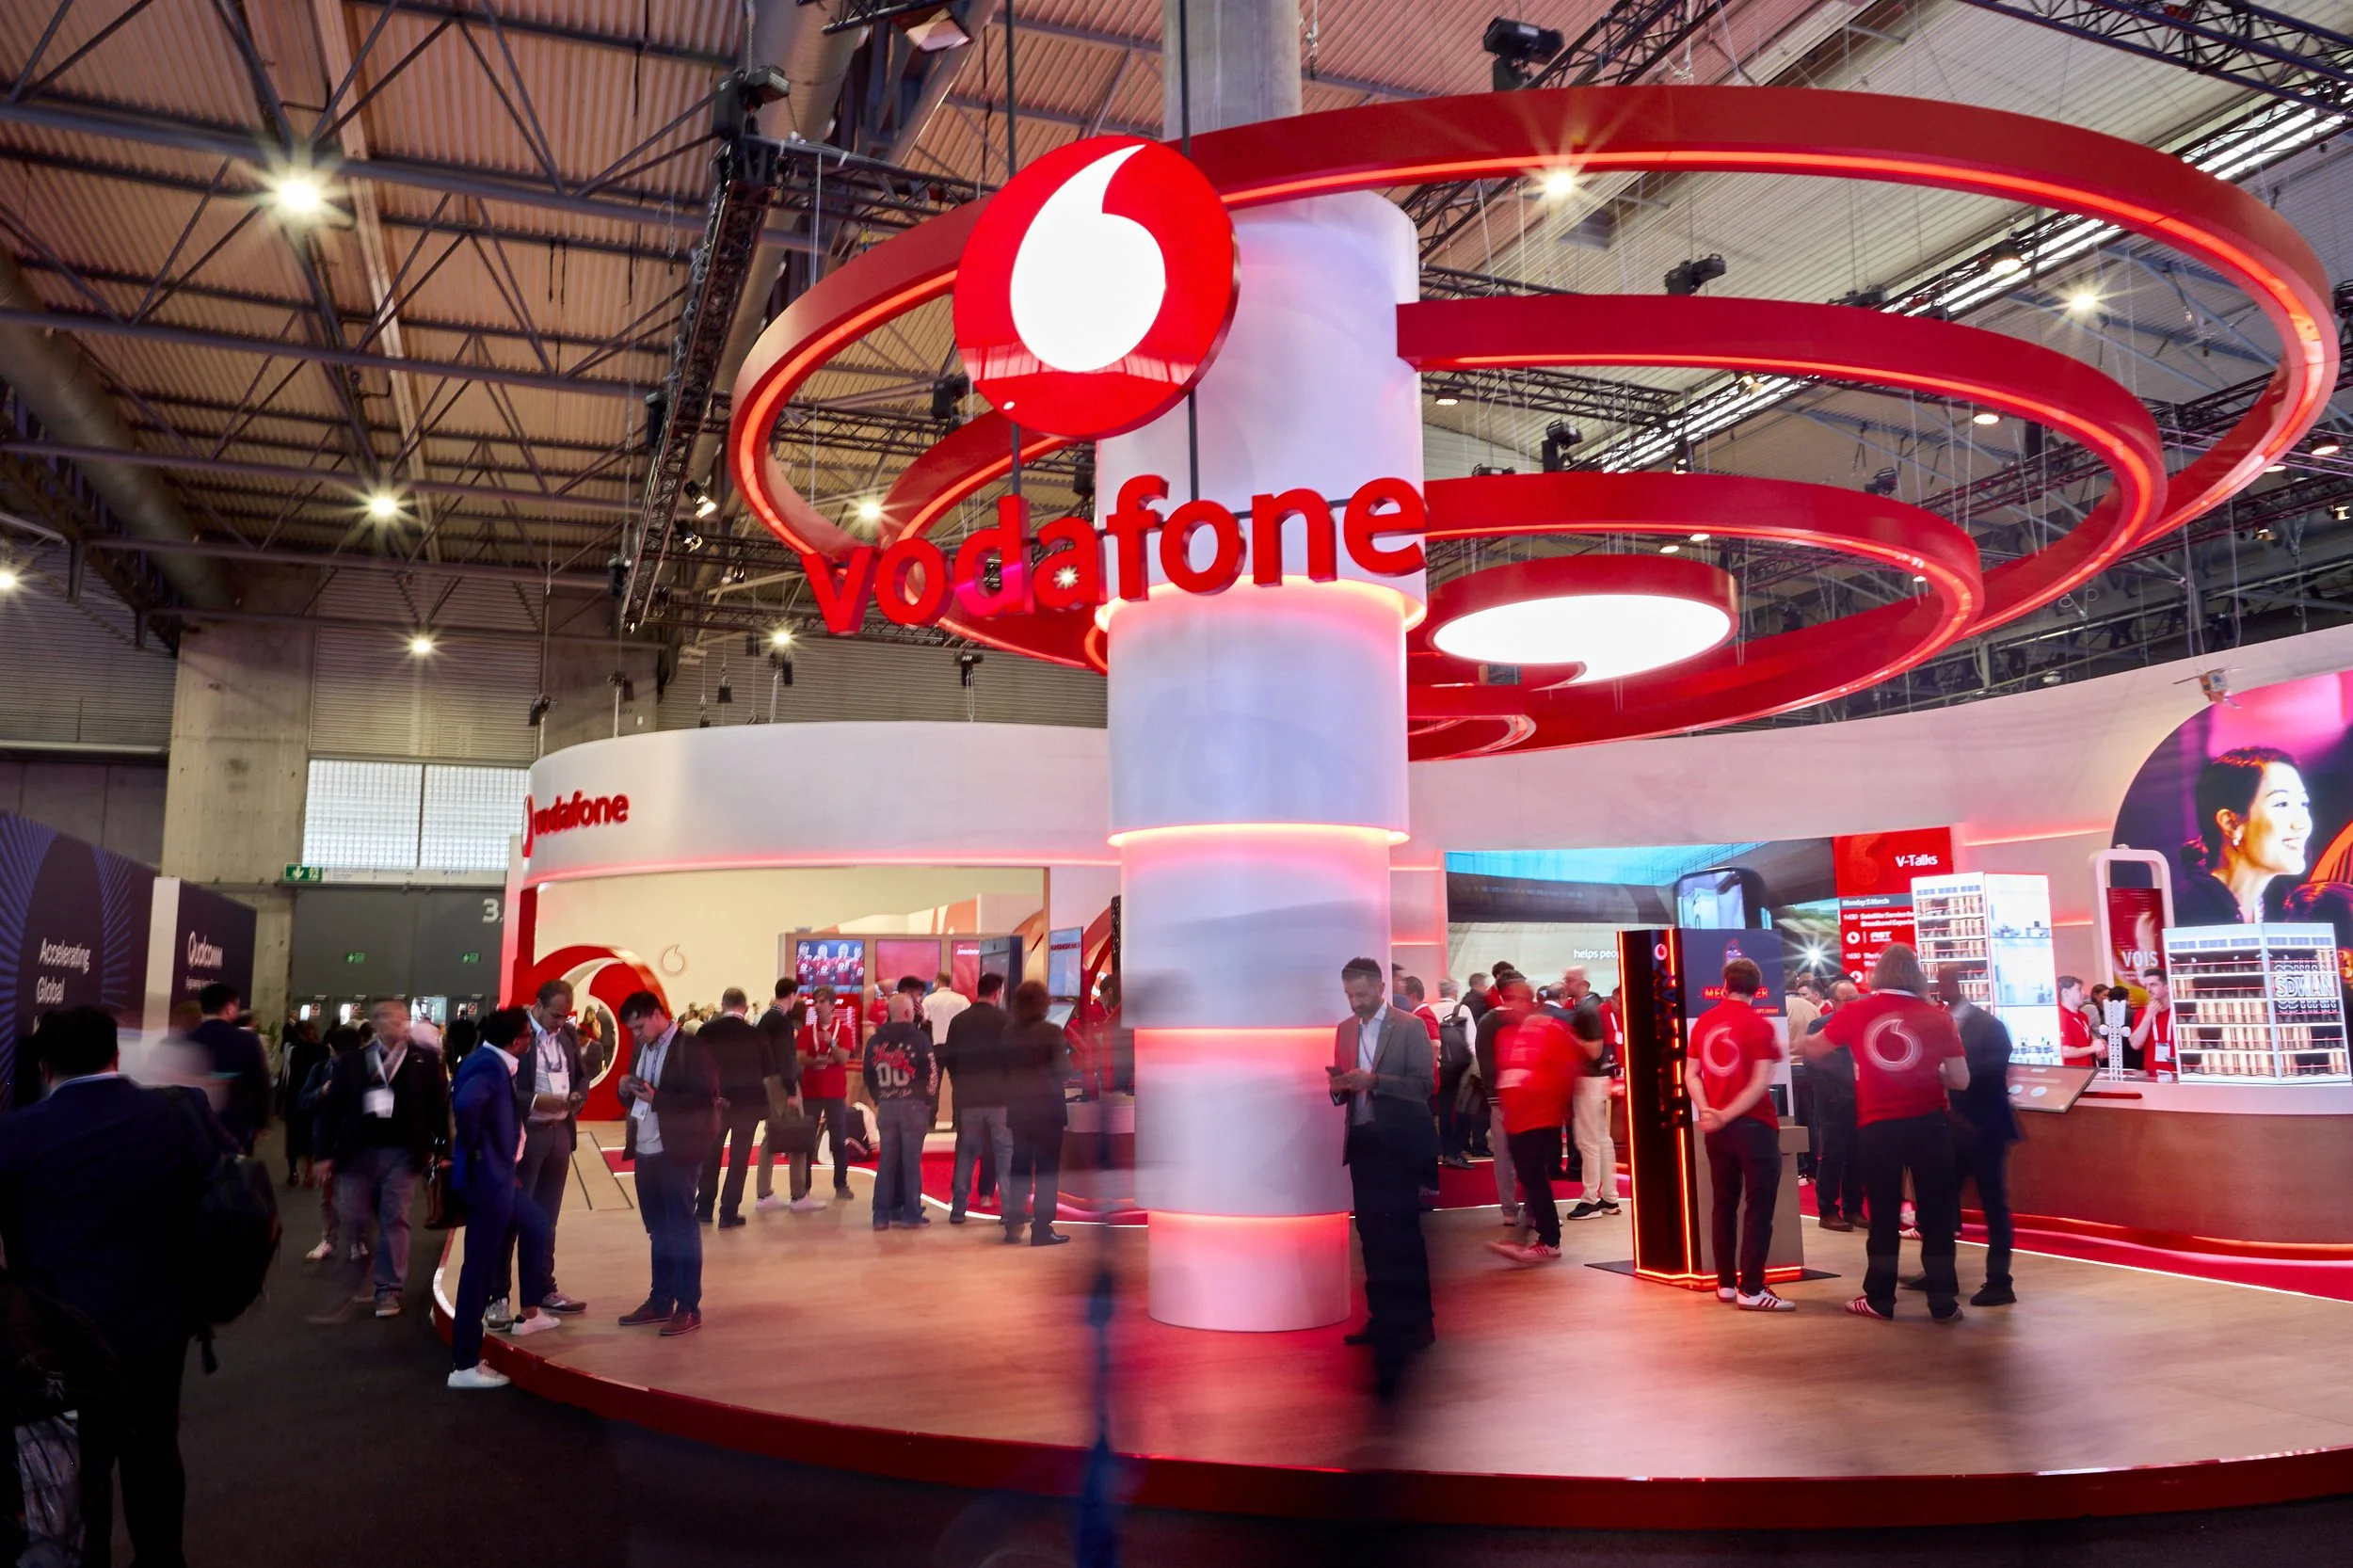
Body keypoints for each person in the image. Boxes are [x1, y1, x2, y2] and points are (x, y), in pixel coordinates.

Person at [0, 1006, 232, 1568]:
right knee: (154, 1447)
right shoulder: (178, 1113)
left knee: (76, 1464)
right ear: (117, 1055)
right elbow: (222, 1194)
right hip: (159, 1324)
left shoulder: (18, 1133)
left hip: (59, 1337)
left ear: (44, 1064)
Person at [1802, 945, 1968, 1322]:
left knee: (1883, 1214)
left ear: (1879, 974)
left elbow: (1813, 1047)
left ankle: (1879, 1298)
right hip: (1930, 1125)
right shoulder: (1937, 1016)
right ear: (1917, 975)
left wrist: (1861, 1069)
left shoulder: (1857, 1011)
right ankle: (1943, 1302)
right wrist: (1926, 1072)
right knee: (1937, 1215)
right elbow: (1960, 1078)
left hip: (1879, 1126)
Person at [1329, 957, 1437, 1393]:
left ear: (1379, 988)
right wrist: (1340, 1088)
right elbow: (1345, 1090)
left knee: (1405, 1235)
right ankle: (1383, 1319)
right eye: (1349, 995)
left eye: (1362, 994)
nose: (1356, 1002)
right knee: (1372, 1237)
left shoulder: (1409, 1026)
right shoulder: (1344, 1030)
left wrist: (1373, 1081)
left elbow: (1423, 1086)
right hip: (1363, 1143)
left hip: (1400, 1145)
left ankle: (1420, 1321)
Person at [314, 997, 449, 1320]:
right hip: (357, 1153)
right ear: (375, 1024)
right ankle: (356, 1279)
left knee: (394, 1218)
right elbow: (332, 1110)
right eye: (389, 1018)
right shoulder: (353, 1061)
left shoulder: (425, 1060)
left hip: (403, 1153)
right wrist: (323, 1154)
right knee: (354, 1219)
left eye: (402, 1019)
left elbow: (438, 1107)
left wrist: (442, 1149)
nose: (397, 1025)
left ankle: (388, 1289)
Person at [448, 1007, 558, 1390]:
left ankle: (530, 1311)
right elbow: (465, 1107)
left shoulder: (492, 1062)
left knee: (536, 1222)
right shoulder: (489, 1067)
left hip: (498, 1177)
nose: (532, 1039)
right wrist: (486, 1157)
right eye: (529, 1034)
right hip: (488, 1182)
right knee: (478, 1266)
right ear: (517, 1040)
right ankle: (464, 1363)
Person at [1687, 958, 1793, 1311]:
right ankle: (1752, 1287)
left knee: (1724, 1204)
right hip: (1755, 1127)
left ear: (1725, 983)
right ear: (1757, 987)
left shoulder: (1704, 1023)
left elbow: (1691, 1075)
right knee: (1758, 1207)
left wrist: (1709, 1112)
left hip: (1717, 1129)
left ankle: (1727, 1284)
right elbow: (1760, 1084)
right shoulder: (1761, 1027)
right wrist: (1724, 1115)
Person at [488, 980, 591, 1330]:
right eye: (555, 1015)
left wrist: (577, 1096)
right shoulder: (515, 1034)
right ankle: (498, 1296)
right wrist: (534, 1101)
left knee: (547, 1220)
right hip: (524, 1135)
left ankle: (544, 1290)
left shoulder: (567, 1035)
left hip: (559, 1133)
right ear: (537, 1005)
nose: (560, 1022)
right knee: (511, 1219)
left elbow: (581, 1075)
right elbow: (497, 1081)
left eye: (565, 1016)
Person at [615, 991, 719, 1336]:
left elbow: (705, 1098)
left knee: (682, 1227)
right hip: (646, 1150)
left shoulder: (692, 1047)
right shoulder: (644, 1049)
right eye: (632, 1030)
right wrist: (624, 1087)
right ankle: (660, 1300)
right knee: (657, 1229)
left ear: (659, 1014)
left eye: (640, 1026)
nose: (637, 1034)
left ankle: (689, 1306)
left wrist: (658, 1099)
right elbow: (635, 1098)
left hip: (680, 1149)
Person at [1935, 965, 2021, 1307]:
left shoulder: (1989, 1026)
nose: (1939, 986)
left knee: (1993, 1205)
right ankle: (1942, 1274)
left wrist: (1945, 1075)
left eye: (1944, 981)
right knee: (1940, 1206)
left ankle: (2000, 1281)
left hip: (1985, 1128)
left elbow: (1992, 1072)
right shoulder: (1941, 1023)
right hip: (1953, 1128)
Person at [1485, 980, 1581, 1264]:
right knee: (1529, 1177)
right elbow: (1506, 1073)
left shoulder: (1551, 1030)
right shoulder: (1505, 1035)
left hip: (1541, 1118)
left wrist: (1560, 1108)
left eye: (1517, 999)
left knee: (1533, 1176)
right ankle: (1527, 1236)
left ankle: (1549, 1239)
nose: (1511, 1005)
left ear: (1530, 1001)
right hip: (1516, 1119)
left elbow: (1569, 1070)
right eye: (1507, 999)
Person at [2173, 745, 2313, 925]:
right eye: (2282, 804)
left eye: (2303, 803)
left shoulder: (2286, 910)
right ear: (2231, 823)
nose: (2301, 824)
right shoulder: (2182, 913)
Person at [1000, 980, 1073, 1245]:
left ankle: (1014, 1223)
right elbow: (1064, 1071)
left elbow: (1003, 1070)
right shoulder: (1052, 1032)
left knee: (1019, 1165)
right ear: (1044, 1004)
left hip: (1019, 1109)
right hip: (1048, 1110)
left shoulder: (1008, 1032)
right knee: (1046, 1170)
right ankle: (1042, 1228)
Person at [695, 988, 773, 1229]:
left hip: (715, 1103)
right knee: (739, 1159)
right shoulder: (755, 1034)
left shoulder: (706, 1031)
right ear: (745, 1008)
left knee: (710, 1156)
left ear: (722, 1005)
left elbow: (695, 1067)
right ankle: (729, 1212)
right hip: (747, 1105)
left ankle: (704, 1208)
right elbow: (769, 1068)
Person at [943, 972, 1013, 1224]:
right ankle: (1008, 1210)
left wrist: (960, 1081)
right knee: (1004, 1155)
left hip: (968, 1098)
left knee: (966, 1153)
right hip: (1000, 1099)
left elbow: (949, 1057)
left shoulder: (959, 1021)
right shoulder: (1006, 1020)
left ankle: (958, 1208)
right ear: (998, 992)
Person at [865, 992, 936, 1230]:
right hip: (913, 1106)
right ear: (908, 1013)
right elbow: (931, 1072)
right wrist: (927, 1100)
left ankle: (881, 1215)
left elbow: (869, 1075)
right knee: (911, 1162)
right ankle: (912, 1213)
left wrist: (880, 1097)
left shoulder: (875, 1041)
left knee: (886, 1162)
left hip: (886, 1104)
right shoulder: (919, 1038)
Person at [187, 983, 271, 1156]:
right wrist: (261, 1122)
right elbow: (261, 1083)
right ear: (229, 1008)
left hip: (194, 1124)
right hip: (236, 1125)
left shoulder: (188, 1038)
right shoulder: (247, 1040)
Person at [1562, 973, 1620, 1222]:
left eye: (1569, 979)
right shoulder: (1595, 1007)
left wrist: (1569, 1038)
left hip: (1589, 1079)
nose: (1566, 983)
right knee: (1601, 1139)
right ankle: (1608, 1197)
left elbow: (1594, 1050)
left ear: (1582, 982)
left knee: (1589, 1141)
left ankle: (1590, 1199)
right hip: (1598, 1078)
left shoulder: (1588, 1009)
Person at [753, 979, 814, 1212]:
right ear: (792, 994)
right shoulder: (782, 1022)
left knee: (771, 1134)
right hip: (783, 1082)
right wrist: (791, 1089)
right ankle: (799, 1194)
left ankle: (763, 1192)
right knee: (796, 1132)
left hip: (768, 1081)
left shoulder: (765, 1019)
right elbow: (786, 1058)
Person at [795, 985, 860, 1200]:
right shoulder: (806, 1031)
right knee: (806, 1139)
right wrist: (819, 1061)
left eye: (823, 1001)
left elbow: (843, 1059)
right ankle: (804, 1186)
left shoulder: (844, 1030)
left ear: (833, 1005)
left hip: (834, 1091)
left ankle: (841, 1184)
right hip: (811, 1090)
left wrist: (831, 1043)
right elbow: (800, 1058)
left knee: (838, 1138)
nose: (819, 1005)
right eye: (816, 1001)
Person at [1808, 981, 1863, 1231]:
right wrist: (1836, 1096)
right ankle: (1827, 1210)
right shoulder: (1821, 1026)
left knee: (1856, 1157)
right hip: (1834, 1104)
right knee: (1832, 1157)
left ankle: (1854, 1209)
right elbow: (1814, 1066)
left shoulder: (1864, 1025)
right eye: (1847, 1000)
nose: (1854, 1004)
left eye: (1856, 998)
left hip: (1862, 1101)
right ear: (1834, 1002)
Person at [1473, 963, 1524, 1222]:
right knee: (1513, 1156)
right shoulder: (1494, 1021)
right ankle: (1514, 1210)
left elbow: (1484, 1061)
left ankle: (1513, 1210)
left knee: (1507, 1156)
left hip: (1509, 1098)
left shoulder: (1489, 1021)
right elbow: (1487, 1062)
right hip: (1508, 1098)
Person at [1430, 978, 1476, 1168]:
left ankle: (1442, 1149)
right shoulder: (1462, 1010)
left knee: (1442, 1110)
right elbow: (1471, 1041)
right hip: (1460, 1069)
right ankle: (1453, 1152)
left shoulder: (1430, 1010)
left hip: (1438, 1068)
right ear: (1455, 992)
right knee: (1461, 1111)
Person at [276, 1018, 327, 1185]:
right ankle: (309, 1173)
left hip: (294, 1097)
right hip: (314, 1097)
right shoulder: (322, 1050)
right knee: (310, 1136)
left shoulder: (293, 1051)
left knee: (293, 1136)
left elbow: (287, 1076)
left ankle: (293, 1173)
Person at [2127, 966, 2177, 1074]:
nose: (2148, 990)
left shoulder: (2180, 1012)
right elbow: (2135, 1044)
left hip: (2178, 1075)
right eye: (2146, 985)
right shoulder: (2142, 1013)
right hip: (2152, 1075)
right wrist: (2148, 1016)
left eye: (2153, 985)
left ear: (2167, 987)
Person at [2057, 975, 2100, 1069]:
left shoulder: (2082, 1016)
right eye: (2079, 989)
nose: (2084, 993)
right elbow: (2065, 1051)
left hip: (2087, 1071)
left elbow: (2086, 1044)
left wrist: (2098, 1044)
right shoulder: (2061, 1016)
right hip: (2071, 1074)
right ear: (2065, 992)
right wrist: (2093, 1048)